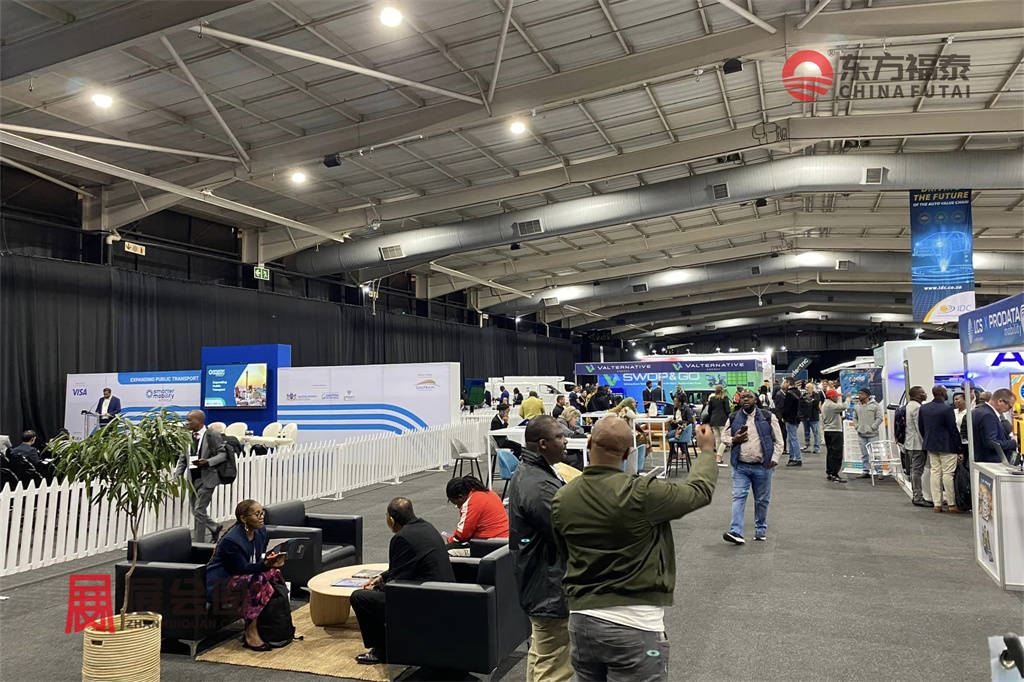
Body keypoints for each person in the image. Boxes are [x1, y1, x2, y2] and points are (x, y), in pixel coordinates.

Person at [551, 417, 718, 681]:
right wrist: (707, 451)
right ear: (628, 453)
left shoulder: (563, 498)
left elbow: (563, 553)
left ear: (590, 443)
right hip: (635, 624)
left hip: (582, 622)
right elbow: (698, 491)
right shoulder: (641, 493)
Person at [507, 416, 572, 682]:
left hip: (543, 583)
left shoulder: (536, 473)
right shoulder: (538, 485)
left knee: (542, 655)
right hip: (549, 588)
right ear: (543, 444)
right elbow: (569, 532)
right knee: (555, 667)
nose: (565, 441)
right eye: (560, 437)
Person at [351, 498, 454, 665]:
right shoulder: (427, 527)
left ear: (391, 520)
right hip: (444, 594)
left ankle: (382, 651)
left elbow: (396, 584)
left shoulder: (401, 538)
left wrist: (376, 588)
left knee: (360, 597)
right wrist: (381, 577)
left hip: (426, 600)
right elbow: (407, 565)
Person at [205, 499, 287, 651]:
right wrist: (265, 565)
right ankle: (251, 633)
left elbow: (259, 557)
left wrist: (271, 561)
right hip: (221, 582)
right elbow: (240, 568)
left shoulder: (261, 531)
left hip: (242, 576)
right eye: (257, 514)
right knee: (256, 580)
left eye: (262, 513)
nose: (261, 517)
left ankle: (274, 624)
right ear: (243, 518)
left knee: (274, 573)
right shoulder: (232, 541)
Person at [721, 389, 784, 544]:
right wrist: (734, 439)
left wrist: (774, 459)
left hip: (762, 466)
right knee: (738, 497)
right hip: (740, 466)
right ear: (739, 400)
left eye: (749, 397)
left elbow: (779, 441)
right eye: (743, 397)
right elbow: (723, 436)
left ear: (755, 400)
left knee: (762, 500)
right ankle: (736, 531)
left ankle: (760, 530)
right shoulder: (733, 417)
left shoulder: (768, 417)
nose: (746, 399)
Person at [173, 410, 228, 543]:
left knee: (199, 510)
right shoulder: (186, 436)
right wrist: (177, 476)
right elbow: (183, 459)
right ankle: (212, 529)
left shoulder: (212, 435)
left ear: (199, 421)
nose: (187, 423)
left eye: (189, 420)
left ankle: (200, 541)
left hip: (207, 478)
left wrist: (208, 462)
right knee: (196, 511)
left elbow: (223, 454)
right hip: (192, 479)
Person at [919, 386, 964, 513]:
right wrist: (959, 448)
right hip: (947, 445)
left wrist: (927, 439)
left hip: (931, 445)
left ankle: (937, 504)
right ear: (944, 393)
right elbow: (953, 429)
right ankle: (951, 504)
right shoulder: (947, 409)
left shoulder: (924, 408)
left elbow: (921, 427)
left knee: (935, 472)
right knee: (948, 474)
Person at [443, 476, 509, 549]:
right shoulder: (490, 493)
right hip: (503, 540)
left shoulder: (472, 502)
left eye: (456, 503)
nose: (458, 507)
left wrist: (450, 540)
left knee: (445, 551)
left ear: (460, 497)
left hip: (490, 544)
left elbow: (462, 534)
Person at [971, 388, 1017, 463]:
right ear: (1000, 401)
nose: (1009, 410)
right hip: (989, 463)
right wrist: (1013, 442)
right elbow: (992, 443)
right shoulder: (989, 415)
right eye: (1010, 406)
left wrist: (1009, 439)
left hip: (980, 460)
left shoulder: (978, 411)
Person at [903, 386, 930, 507]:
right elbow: (920, 427)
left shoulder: (909, 405)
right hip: (917, 445)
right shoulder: (917, 407)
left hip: (910, 443)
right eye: (923, 392)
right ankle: (918, 497)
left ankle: (917, 495)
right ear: (918, 395)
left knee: (914, 470)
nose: (925, 394)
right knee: (917, 471)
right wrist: (926, 442)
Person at [852, 388, 884, 477]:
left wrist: (873, 427)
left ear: (867, 395)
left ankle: (879, 471)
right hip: (861, 434)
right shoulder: (857, 406)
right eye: (859, 393)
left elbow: (879, 418)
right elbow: (854, 417)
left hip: (873, 435)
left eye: (861, 394)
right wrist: (856, 426)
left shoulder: (875, 405)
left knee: (875, 454)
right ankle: (865, 471)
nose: (859, 395)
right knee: (864, 454)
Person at [821, 390, 847, 483]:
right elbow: (844, 407)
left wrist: (840, 418)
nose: (837, 398)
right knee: (837, 453)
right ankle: (834, 473)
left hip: (828, 431)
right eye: (836, 396)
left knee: (831, 453)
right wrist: (848, 398)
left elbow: (831, 417)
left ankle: (830, 473)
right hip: (835, 432)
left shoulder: (826, 404)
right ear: (831, 397)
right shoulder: (831, 405)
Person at [706, 386, 731, 467]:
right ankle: (719, 456)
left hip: (713, 420)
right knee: (724, 439)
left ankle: (718, 457)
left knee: (717, 439)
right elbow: (727, 410)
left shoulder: (712, 399)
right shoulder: (725, 398)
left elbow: (709, 411)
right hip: (722, 420)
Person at [781, 378, 803, 466]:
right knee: (791, 439)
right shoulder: (798, 392)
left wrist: (783, 417)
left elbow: (786, 408)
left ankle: (797, 458)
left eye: (784, 382)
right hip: (797, 418)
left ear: (788, 383)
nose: (783, 384)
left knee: (793, 439)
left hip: (790, 419)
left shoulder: (789, 393)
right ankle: (793, 457)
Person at [798, 382, 822, 454]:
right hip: (805, 418)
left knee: (816, 433)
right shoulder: (803, 396)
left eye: (808, 387)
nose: (806, 389)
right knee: (806, 433)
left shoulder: (816, 396)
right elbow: (801, 406)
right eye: (806, 387)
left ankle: (816, 448)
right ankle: (807, 445)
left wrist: (809, 402)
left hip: (814, 418)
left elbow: (816, 403)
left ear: (812, 388)